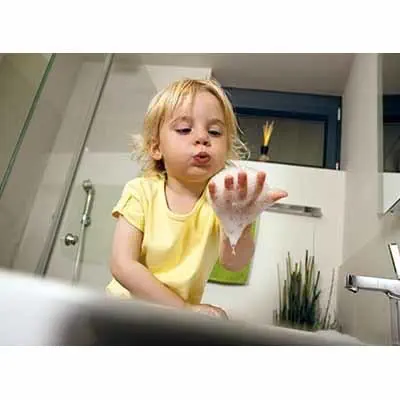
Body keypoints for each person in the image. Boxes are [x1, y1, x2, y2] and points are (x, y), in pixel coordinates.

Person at [106, 78, 287, 318]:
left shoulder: (223, 202)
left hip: (176, 320)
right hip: (123, 310)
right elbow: (122, 265)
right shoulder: (140, 192)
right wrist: (184, 309)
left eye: (215, 132)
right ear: (156, 147)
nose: (203, 138)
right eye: (184, 129)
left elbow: (234, 264)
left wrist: (239, 226)